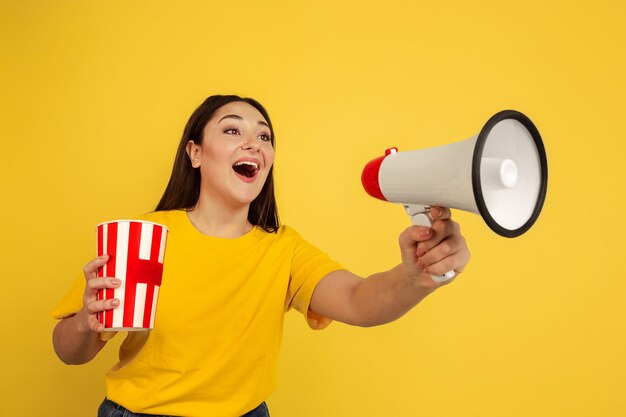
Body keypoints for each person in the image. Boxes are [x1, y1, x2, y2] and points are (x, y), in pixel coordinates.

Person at [52, 95, 471, 417]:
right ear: (195, 153)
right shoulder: (143, 237)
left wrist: (416, 276)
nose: (253, 143)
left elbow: (359, 301)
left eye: (264, 136)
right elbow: (70, 352)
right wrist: (88, 324)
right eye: (232, 131)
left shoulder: (283, 250)